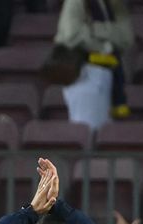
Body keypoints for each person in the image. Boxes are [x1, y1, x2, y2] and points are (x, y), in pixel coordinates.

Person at [54, 0, 133, 129]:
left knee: (102, 135)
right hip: (85, 73)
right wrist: (105, 45)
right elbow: (71, 35)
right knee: (87, 133)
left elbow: (126, 37)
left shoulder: (114, 4)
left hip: (109, 73)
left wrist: (95, 29)